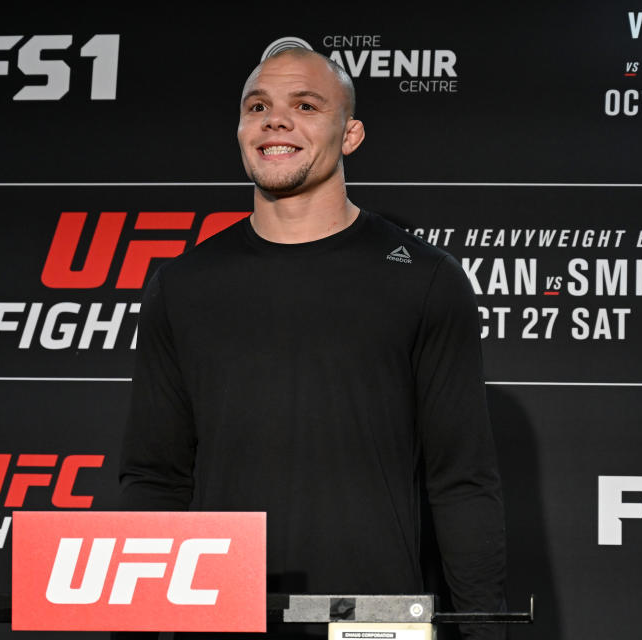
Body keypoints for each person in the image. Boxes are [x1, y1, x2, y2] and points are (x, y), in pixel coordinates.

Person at [120, 47, 506, 639]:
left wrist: (485, 634)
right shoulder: (183, 285)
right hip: (224, 619)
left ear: (350, 134)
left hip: (377, 623)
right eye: (258, 106)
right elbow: (155, 479)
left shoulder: (423, 277)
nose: (276, 120)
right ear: (242, 131)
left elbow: (461, 481)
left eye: (305, 105)